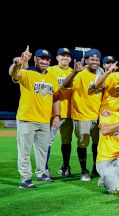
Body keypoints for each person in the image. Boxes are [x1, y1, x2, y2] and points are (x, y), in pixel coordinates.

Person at [9, 47, 60, 188]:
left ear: (50, 61)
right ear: (36, 59)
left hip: (44, 120)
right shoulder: (27, 73)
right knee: (24, 151)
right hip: (27, 118)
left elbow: (56, 97)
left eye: (47, 59)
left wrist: (56, 115)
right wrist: (17, 63)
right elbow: (13, 74)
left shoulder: (52, 77)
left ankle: (41, 173)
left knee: (42, 150)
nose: (44, 61)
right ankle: (25, 179)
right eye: (41, 58)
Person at [63, 49, 103, 181]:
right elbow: (64, 85)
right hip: (82, 116)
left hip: (97, 117)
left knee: (97, 144)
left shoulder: (101, 73)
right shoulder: (80, 74)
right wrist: (74, 72)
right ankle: (83, 170)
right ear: (87, 60)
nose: (95, 62)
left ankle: (95, 168)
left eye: (97, 59)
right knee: (82, 144)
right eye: (92, 59)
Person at [46, 48, 74, 177]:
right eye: (62, 55)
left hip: (68, 113)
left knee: (66, 141)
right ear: (57, 58)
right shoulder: (50, 70)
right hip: (52, 114)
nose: (65, 58)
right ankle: (44, 169)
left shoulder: (74, 72)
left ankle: (65, 167)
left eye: (68, 56)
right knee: (47, 141)